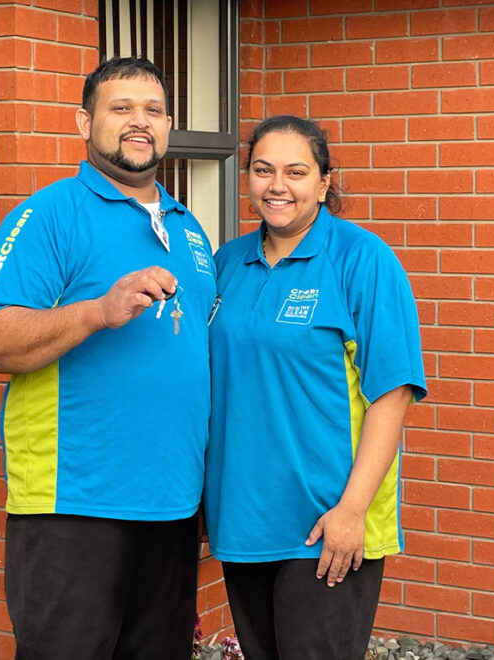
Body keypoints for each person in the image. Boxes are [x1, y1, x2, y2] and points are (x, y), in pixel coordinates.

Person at [0, 57, 217, 660]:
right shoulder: (50, 215)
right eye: (120, 108)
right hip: (73, 506)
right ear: (84, 122)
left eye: (153, 110)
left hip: (173, 506)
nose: (139, 122)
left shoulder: (191, 231)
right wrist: (97, 311)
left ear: (169, 125)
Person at [204, 115, 427, 660]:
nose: (277, 185)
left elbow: (392, 394)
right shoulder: (227, 263)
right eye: (263, 170)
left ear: (324, 182)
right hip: (244, 518)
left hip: (326, 524)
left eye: (295, 171)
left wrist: (351, 511)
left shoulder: (362, 259)